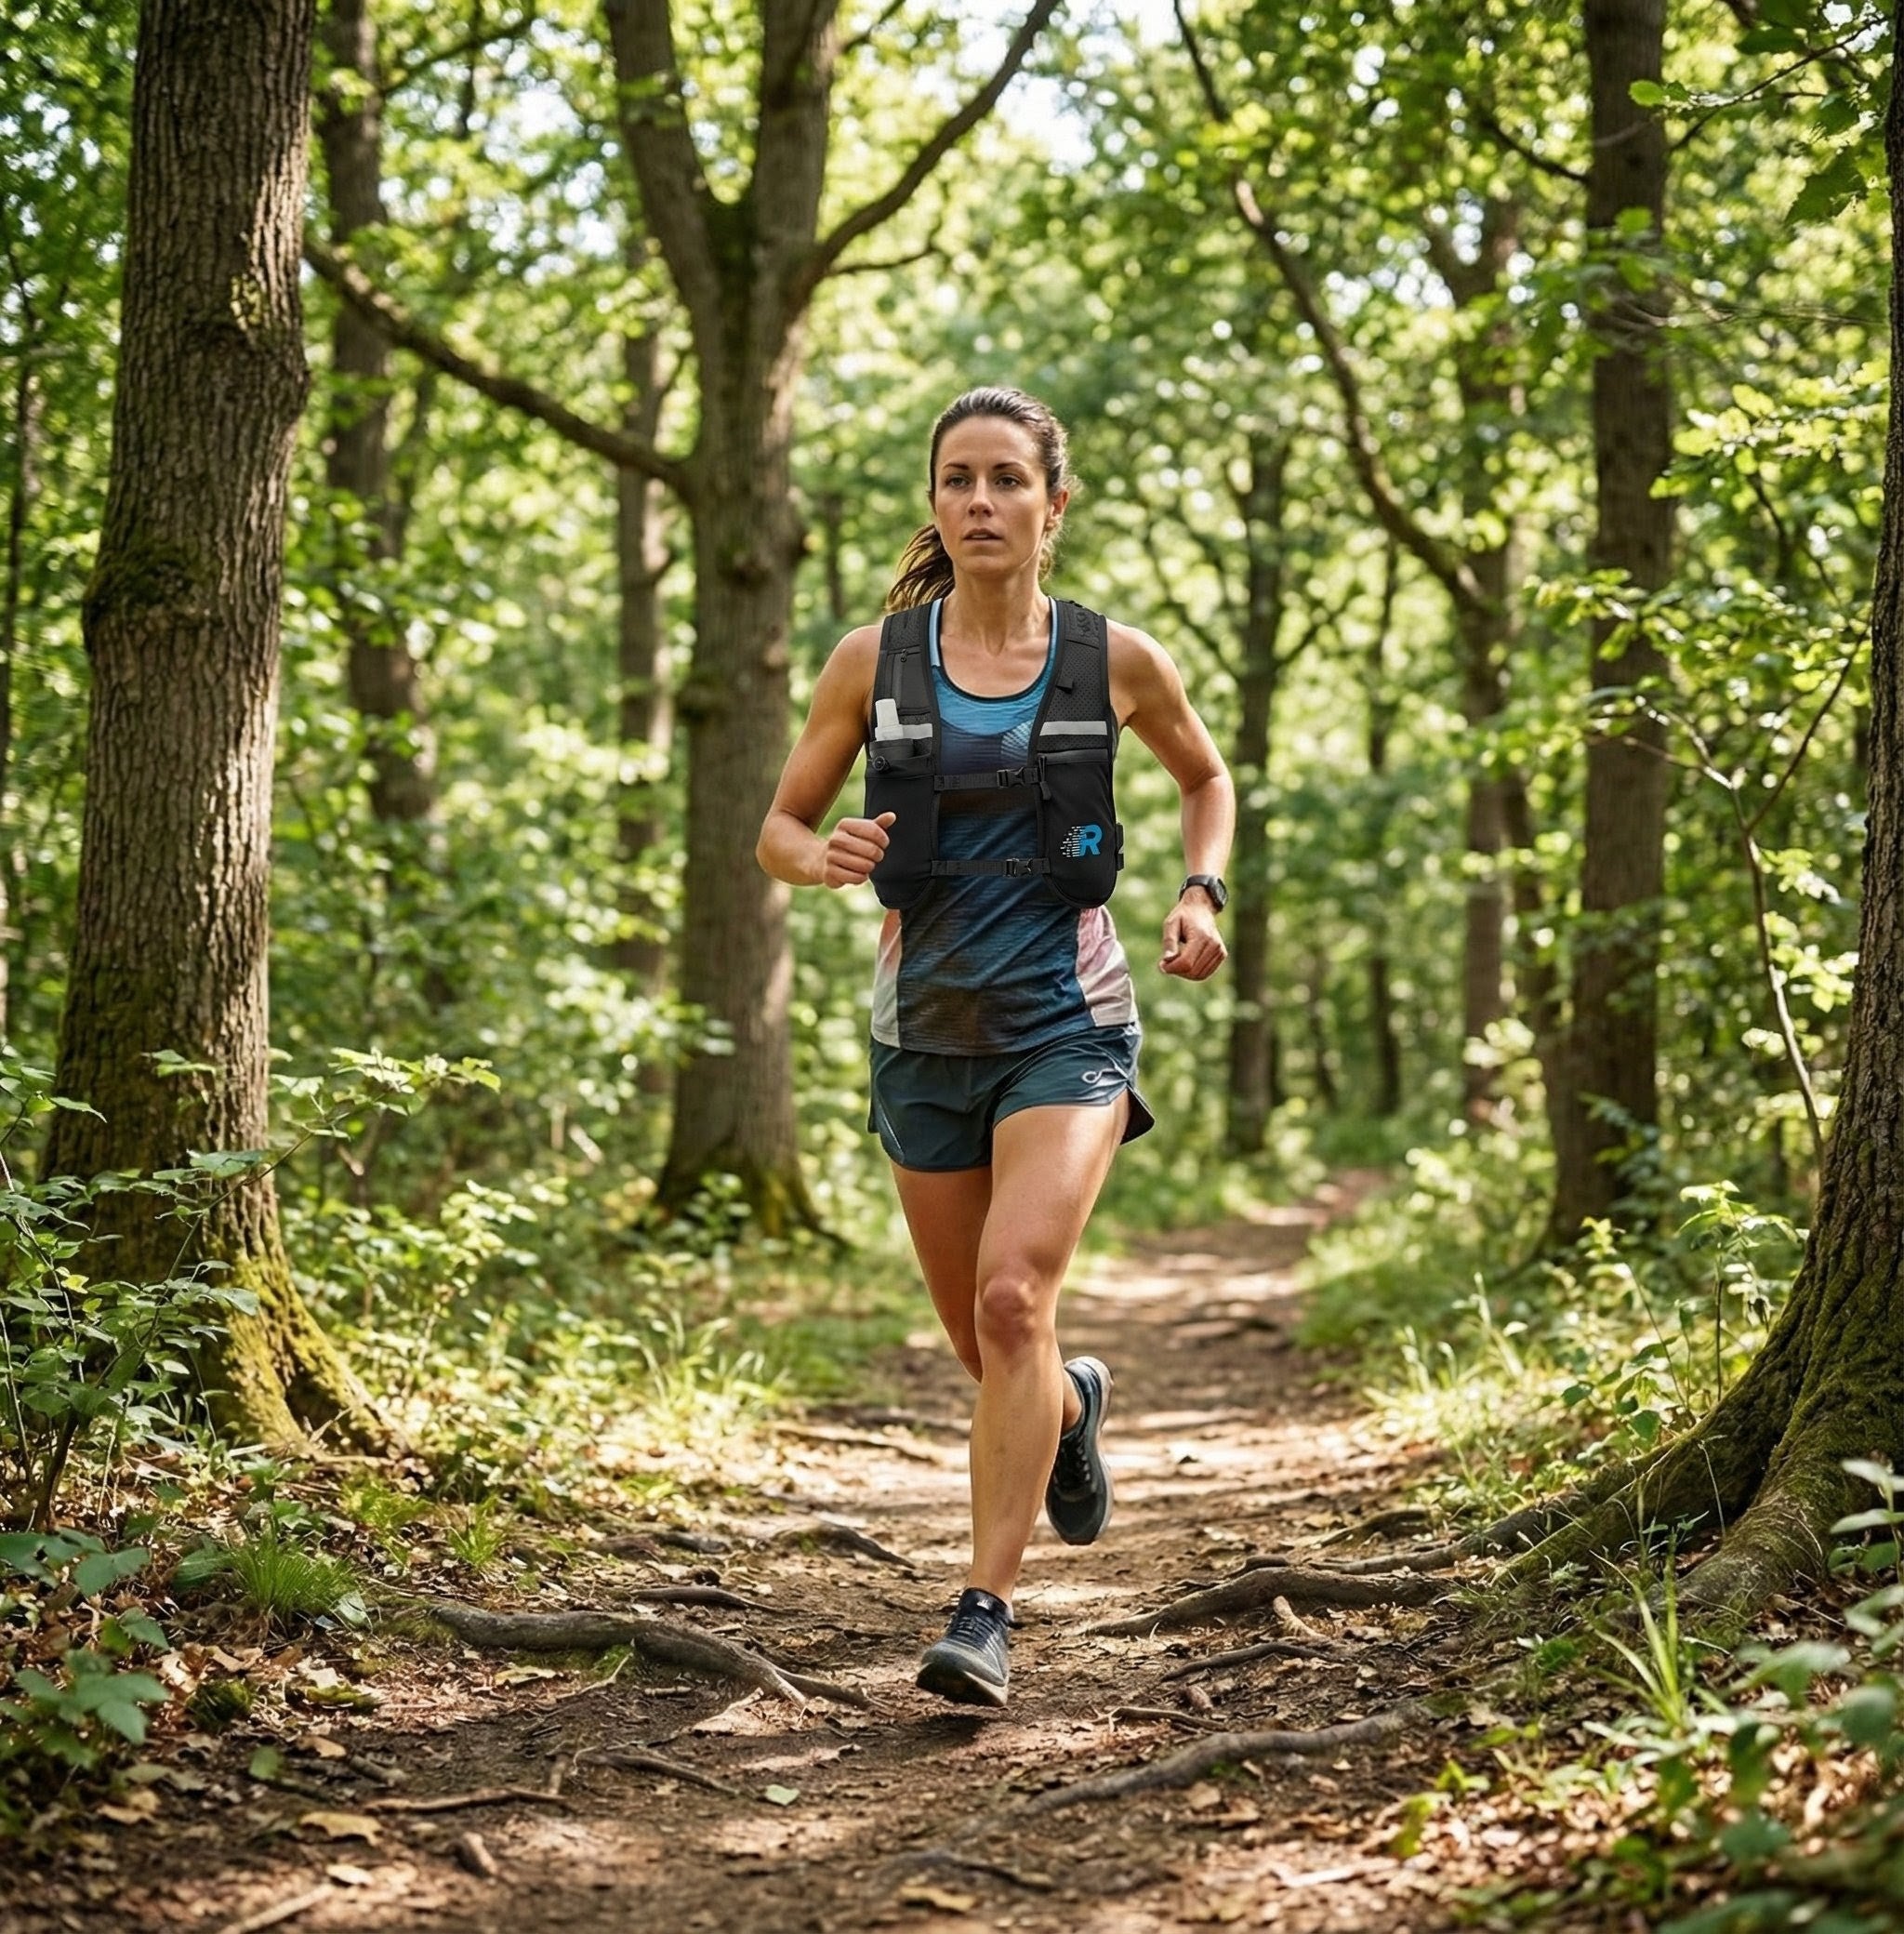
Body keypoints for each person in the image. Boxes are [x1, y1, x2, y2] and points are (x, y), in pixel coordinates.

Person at [758, 386, 1234, 1707]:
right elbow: (780, 829)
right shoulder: (874, 661)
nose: (981, 501)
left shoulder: (1115, 660)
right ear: (935, 502)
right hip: (924, 1034)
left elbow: (1207, 778)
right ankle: (1072, 1408)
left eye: (1007, 480)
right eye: (958, 479)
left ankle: (985, 1612)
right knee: (992, 1347)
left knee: (1013, 1296)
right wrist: (823, 857)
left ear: (1051, 505)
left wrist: (1204, 892)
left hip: (1068, 1025)